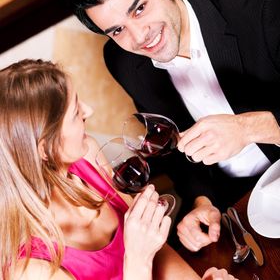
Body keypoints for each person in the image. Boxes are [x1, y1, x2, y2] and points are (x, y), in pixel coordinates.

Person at [66, 0, 280, 252]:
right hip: (241, 206)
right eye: (117, 30)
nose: (139, 38)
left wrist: (250, 127)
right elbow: (171, 143)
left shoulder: (260, 9)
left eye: (139, 9)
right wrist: (202, 202)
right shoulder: (122, 60)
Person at [0, 59, 237, 280]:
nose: (88, 111)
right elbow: (144, 254)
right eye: (75, 113)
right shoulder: (30, 268)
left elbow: (158, 251)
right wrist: (137, 258)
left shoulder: (88, 156)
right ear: (45, 149)